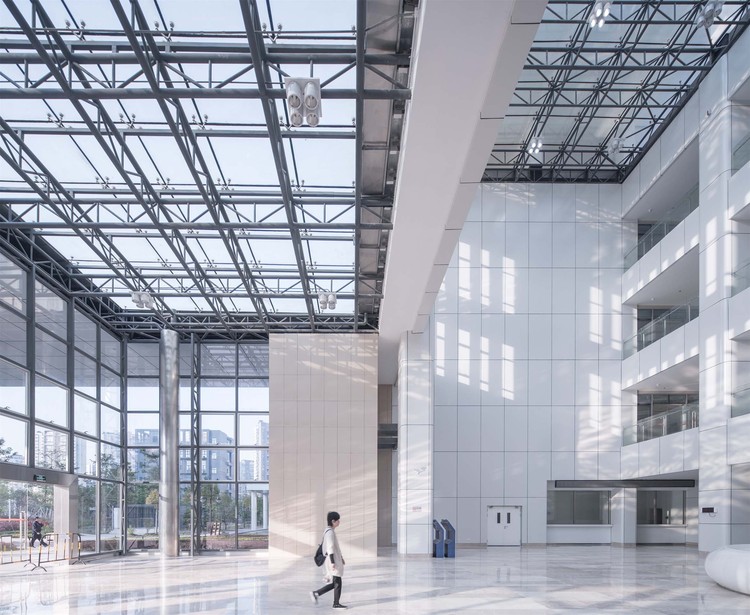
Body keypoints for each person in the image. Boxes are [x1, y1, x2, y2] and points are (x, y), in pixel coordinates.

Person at [310, 511, 347, 609]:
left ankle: (317, 593)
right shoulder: (330, 532)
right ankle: (335, 603)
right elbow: (330, 548)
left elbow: (335, 548)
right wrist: (333, 562)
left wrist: (341, 558)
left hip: (333, 559)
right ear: (333, 521)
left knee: (336, 582)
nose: (339, 522)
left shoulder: (329, 531)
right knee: (337, 582)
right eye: (338, 520)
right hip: (332, 560)